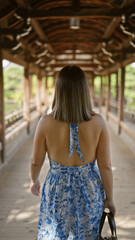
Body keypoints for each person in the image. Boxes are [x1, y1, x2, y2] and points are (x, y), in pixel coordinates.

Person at [30, 65, 116, 240]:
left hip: (57, 188)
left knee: (54, 233)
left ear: (59, 91)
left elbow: (35, 161)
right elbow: (105, 166)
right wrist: (110, 198)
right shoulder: (98, 122)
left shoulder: (45, 122)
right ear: (84, 91)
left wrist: (34, 180)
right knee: (86, 234)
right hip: (90, 189)